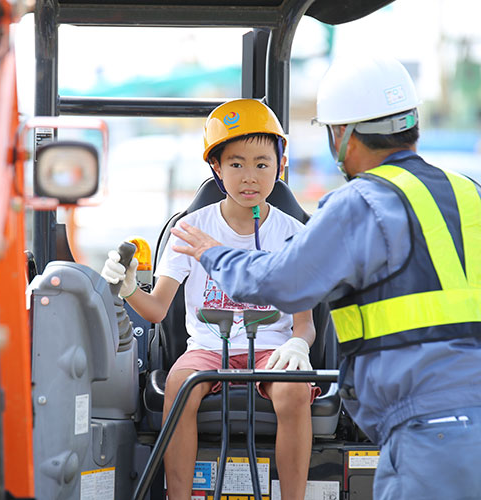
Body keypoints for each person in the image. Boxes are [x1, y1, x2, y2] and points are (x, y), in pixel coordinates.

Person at [171, 55, 481, 500]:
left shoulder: (361, 203)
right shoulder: (470, 194)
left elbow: (279, 283)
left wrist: (213, 254)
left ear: (343, 136)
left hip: (427, 434)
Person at [101, 98, 318, 500]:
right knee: (181, 385)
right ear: (216, 167)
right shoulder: (190, 230)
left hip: (271, 349)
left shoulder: (294, 234)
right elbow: (157, 308)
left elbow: (303, 323)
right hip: (206, 348)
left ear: (280, 166)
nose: (249, 176)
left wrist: (297, 343)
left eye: (261, 163)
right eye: (236, 164)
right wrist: (130, 288)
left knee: (293, 390)